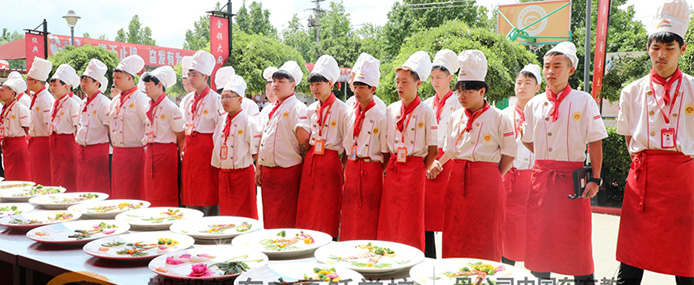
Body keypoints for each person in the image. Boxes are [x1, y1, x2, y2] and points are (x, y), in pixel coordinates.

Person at [616, 0, 694, 283]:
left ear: (682, 49)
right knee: (632, 260)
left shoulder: (693, 88)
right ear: (648, 47)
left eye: (669, 48)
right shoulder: (632, 91)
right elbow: (628, 137)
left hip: (683, 182)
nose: (660, 55)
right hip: (643, 180)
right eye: (655, 47)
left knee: (686, 260)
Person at [522, 42, 607, 284]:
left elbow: (595, 141)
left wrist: (595, 178)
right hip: (543, 178)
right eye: (547, 66)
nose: (550, 71)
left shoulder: (584, 100)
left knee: (576, 240)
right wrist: (545, 160)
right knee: (541, 237)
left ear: (570, 70)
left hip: (573, 180)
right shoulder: (534, 104)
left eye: (557, 66)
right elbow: (528, 140)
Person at [430, 49, 515, 260]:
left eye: (468, 90)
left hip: (487, 181)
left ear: (482, 91)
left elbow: (510, 153)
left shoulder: (499, 117)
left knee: (485, 234)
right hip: (456, 179)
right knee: (455, 231)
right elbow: (450, 149)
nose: (462, 95)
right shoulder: (454, 117)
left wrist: (492, 174)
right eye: (459, 90)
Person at [378, 51, 438, 251]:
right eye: (397, 82)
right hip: (395, 167)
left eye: (405, 82)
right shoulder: (391, 109)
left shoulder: (426, 112)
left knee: (411, 217)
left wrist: (421, 169)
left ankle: (411, 255)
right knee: (390, 214)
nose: (399, 86)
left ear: (418, 84)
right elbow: (386, 145)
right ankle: (388, 253)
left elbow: (432, 148)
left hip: (414, 168)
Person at [296, 55, 350, 238]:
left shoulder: (343, 110)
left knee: (328, 207)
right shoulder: (310, 109)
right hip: (312, 161)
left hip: (331, 161)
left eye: (319, 84)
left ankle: (329, 239)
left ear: (331, 84)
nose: (315, 88)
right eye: (312, 84)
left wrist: (343, 170)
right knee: (309, 207)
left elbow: (347, 145)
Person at [256, 61, 311, 229]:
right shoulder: (269, 109)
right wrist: (259, 168)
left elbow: (304, 143)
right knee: (270, 219)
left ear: (293, 85)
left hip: (288, 173)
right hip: (268, 173)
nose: (276, 85)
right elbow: (263, 140)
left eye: (281, 81)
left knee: (286, 220)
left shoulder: (298, 108)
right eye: (274, 81)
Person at [340, 55, 388, 241]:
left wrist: (374, 169)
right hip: (352, 168)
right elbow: (345, 147)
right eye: (355, 86)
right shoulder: (350, 114)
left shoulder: (381, 116)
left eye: (362, 87)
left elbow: (386, 152)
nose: (357, 91)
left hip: (371, 169)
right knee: (350, 213)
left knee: (370, 213)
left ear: (373, 89)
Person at [500, 64, 541, 266]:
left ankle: (535, 272)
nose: (522, 87)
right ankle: (505, 271)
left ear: (538, 87)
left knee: (533, 229)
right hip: (508, 178)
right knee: (506, 229)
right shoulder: (504, 114)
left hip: (533, 178)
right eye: (519, 83)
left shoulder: (542, 113)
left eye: (528, 83)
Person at [422, 49, 461, 258]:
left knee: (448, 217)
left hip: (448, 163)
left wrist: (439, 162)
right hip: (429, 162)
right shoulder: (427, 103)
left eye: (439, 77)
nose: (435, 81)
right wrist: (430, 162)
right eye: (432, 77)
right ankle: (429, 259)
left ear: (450, 78)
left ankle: (449, 261)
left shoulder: (458, 103)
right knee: (426, 217)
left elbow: (457, 138)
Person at [180, 50, 223, 215]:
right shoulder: (187, 99)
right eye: (189, 74)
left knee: (209, 191)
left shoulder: (216, 99)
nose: (190, 78)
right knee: (191, 190)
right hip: (191, 150)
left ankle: (212, 223)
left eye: (195, 74)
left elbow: (219, 131)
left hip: (208, 151)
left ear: (206, 77)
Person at [212, 75, 261, 218]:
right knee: (227, 214)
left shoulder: (249, 122)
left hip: (242, 175)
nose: (224, 101)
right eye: (222, 97)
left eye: (228, 97)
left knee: (245, 214)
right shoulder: (221, 121)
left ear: (240, 99)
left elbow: (256, 152)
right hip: (224, 174)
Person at [141, 66, 184, 207]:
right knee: (151, 189)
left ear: (160, 85)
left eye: (149, 84)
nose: (146, 88)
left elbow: (180, 135)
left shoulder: (171, 108)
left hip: (166, 153)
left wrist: (178, 153)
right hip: (151, 151)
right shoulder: (148, 106)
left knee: (166, 189)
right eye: (145, 84)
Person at [109, 55, 149, 199]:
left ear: (130, 78)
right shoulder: (114, 101)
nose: (115, 81)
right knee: (119, 193)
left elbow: (148, 125)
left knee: (133, 193)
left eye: (118, 77)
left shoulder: (141, 99)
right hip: (119, 154)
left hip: (135, 154)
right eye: (114, 78)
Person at [75, 59, 111, 193]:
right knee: (83, 185)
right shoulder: (83, 102)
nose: (83, 84)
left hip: (98, 151)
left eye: (87, 81)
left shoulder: (104, 103)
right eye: (82, 80)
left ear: (97, 83)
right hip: (83, 150)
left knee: (97, 186)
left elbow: (109, 129)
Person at [48, 64, 81, 191]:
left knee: (67, 175)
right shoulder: (54, 103)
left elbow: (76, 127)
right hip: (55, 143)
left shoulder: (72, 104)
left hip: (67, 144)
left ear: (66, 86)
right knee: (56, 175)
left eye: (55, 85)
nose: (52, 88)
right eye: (51, 85)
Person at [26, 57, 54, 186]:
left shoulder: (45, 99)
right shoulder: (37, 97)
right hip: (36, 142)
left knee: (43, 176)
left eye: (28, 79)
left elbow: (49, 125)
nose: (26, 82)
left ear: (36, 81)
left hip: (43, 143)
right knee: (36, 176)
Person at [0, 78, 31, 180]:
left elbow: (27, 128)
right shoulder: (4, 108)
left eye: (2, 90)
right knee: (9, 173)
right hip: (7, 144)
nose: (0, 92)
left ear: (12, 93)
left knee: (21, 173)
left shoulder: (20, 108)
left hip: (18, 144)